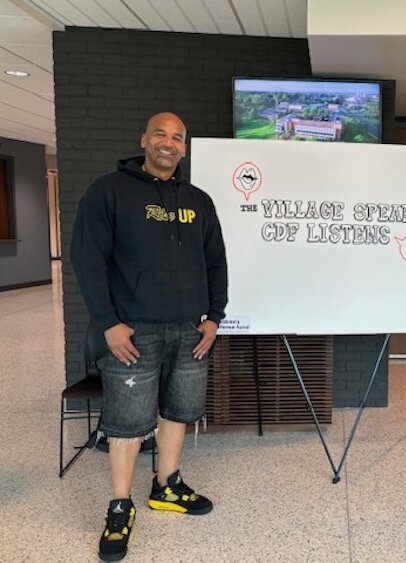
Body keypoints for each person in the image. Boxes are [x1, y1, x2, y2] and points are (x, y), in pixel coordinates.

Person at [71, 112, 228, 561]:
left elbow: (216, 261)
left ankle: (166, 485)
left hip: (189, 331)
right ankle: (120, 506)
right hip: (132, 333)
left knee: (178, 410)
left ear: (183, 148)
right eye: (160, 134)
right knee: (126, 423)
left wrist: (214, 317)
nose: (168, 143)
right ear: (144, 139)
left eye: (177, 138)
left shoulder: (198, 200)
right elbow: (88, 259)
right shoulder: (108, 192)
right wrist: (108, 322)